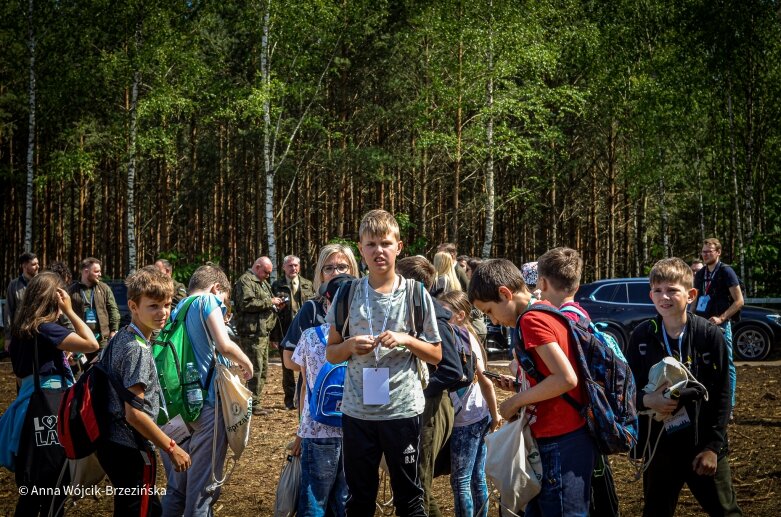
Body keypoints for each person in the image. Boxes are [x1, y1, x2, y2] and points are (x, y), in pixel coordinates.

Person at [326, 209, 442, 517]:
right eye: (371, 244)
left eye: (386, 243)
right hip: (357, 413)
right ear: (361, 248)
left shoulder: (416, 294)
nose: (379, 250)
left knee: (410, 499)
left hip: (402, 411)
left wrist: (407, 340)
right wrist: (350, 345)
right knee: (359, 500)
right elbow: (331, 353)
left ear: (399, 247)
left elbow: (436, 354)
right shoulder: (347, 294)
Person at [468, 258, 597, 516]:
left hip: (560, 440)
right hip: (559, 437)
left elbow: (565, 379)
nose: (492, 320)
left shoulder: (531, 320)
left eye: (490, 311)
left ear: (505, 293)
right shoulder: (544, 309)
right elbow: (552, 378)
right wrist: (521, 388)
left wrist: (516, 402)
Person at [627, 258, 741, 517]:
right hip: (660, 445)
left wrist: (713, 447)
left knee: (726, 511)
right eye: (657, 290)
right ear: (650, 294)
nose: (664, 297)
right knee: (656, 511)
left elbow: (724, 393)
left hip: (703, 445)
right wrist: (648, 400)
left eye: (672, 290)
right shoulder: (642, 336)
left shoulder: (709, 334)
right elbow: (626, 391)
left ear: (690, 295)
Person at [95, 266, 191, 516]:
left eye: (167, 304)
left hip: (112, 443)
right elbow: (134, 414)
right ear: (133, 306)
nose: (163, 312)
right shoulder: (136, 348)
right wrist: (172, 448)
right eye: (154, 306)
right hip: (129, 446)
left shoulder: (123, 336)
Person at [1, 272, 98, 516]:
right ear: (54, 300)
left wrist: (57, 360)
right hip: (49, 413)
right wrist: (71, 312)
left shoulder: (20, 333)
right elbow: (92, 344)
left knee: (31, 489)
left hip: (27, 412)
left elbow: (24, 372)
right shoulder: (46, 329)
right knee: (54, 489)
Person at [161, 264, 254, 516]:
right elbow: (224, 345)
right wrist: (247, 362)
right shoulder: (207, 301)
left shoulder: (174, 309)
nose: (224, 309)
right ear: (216, 288)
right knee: (202, 491)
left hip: (175, 408)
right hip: (205, 407)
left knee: (177, 489)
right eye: (224, 301)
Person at [536, 247, 620, 517]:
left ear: (542, 283)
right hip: (590, 416)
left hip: (573, 422)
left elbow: (566, 376)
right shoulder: (581, 314)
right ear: (577, 284)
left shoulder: (561, 320)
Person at [396, 256, 464, 517]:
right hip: (421, 406)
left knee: (418, 484)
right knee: (413, 481)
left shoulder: (432, 314)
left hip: (431, 408)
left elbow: (452, 370)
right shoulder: (416, 310)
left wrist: (416, 388)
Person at [289, 274, 355, 517]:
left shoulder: (309, 336)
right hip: (354, 427)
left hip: (316, 426)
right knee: (345, 500)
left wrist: (300, 427)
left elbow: (305, 383)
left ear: (327, 304)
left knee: (314, 498)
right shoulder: (361, 340)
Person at [436, 290, 500, 517]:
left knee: (461, 479)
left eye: (444, 313)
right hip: (478, 414)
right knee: (475, 476)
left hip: (468, 418)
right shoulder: (466, 336)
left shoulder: (460, 339)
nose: (438, 318)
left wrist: (495, 416)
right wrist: (491, 416)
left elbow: (486, 381)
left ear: (460, 315)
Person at [281, 244, 360, 406]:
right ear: (321, 275)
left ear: (352, 270)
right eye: (328, 268)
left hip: (358, 398)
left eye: (342, 267)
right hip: (318, 401)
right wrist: (318, 364)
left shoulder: (365, 307)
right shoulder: (311, 309)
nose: (335, 273)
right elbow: (288, 359)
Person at [691, 238, 743, 413]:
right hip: (701, 324)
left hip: (720, 325)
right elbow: (695, 299)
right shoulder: (700, 274)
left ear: (718, 252)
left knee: (726, 364)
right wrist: (689, 318)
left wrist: (721, 318)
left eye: (709, 251)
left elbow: (739, 301)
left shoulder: (726, 272)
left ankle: (729, 406)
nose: (705, 255)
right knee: (701, 362)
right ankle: (707, 401)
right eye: (703, 252)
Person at [232, 256, 284, 415]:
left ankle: (256, 402)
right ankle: (252, 404)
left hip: (262, 333)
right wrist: (271, 302)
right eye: (266, 272)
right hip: (251, 334)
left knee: (262, 369)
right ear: (258, 266)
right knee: (254, 369)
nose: (268, 275)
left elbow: (265, 303)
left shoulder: (263, 283)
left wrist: (276, 305)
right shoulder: (245, 281)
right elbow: (246, 303)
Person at [272, 255, 315, 410]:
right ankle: (290, 401)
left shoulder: (307, 284)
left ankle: (306, 396)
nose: (293, 268)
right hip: (285, 330)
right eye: (290, 265)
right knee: (287, 368)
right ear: (284, 267)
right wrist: (274, 336)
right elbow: (273, 315)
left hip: (305, 332)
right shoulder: (277, 285)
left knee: (307, 365)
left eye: (296, 265)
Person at [68, 257, 120, 349]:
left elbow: (113, 310)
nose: (100, 274)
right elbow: (66, 315)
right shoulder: (71, 291)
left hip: (102, 341)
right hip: (80, 340)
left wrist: (114, 330)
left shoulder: (104, 288)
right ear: (86, 271)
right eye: (96, 271)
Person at [4, 252, 40, 348]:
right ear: (24, 266)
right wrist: (8, 337)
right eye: (33, 264)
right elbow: (8, 311)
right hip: (19, 335)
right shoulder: (13, 285)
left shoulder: (42, 283)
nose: (38, 266)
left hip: (39, 333)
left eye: (38, 263)